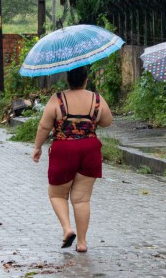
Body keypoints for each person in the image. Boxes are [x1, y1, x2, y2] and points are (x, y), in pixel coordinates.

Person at [32, 65, 113, 253]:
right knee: (82, 200)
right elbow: (107, 121)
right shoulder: (97, 99)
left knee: (57, 194)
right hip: (90, 149)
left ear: (68, 79)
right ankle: (82, 242)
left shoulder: (57, 99)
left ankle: (67, 229)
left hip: (64, 149)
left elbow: (44, 127)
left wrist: (37, 147)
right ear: (86, 79)